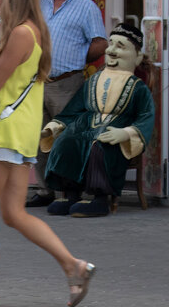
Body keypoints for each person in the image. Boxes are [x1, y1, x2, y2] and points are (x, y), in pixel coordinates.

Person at [0, 0, 95, 307]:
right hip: (20, 133)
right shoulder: (32, 30)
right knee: (13, 214)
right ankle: (74, 266)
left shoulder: (20, 34)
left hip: (2, 133)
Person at [41, 22, 154, 219]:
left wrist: (126, 133)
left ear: (137, 57)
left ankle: (100, 200)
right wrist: (55, 126)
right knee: (67, 141)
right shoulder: (93, 80)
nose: (112, 50)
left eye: (121, 46)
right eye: (111, 44)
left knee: (100, 144)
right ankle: (72, 195)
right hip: (86, 124)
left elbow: (146, 116)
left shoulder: (138, 88)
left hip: (115, 129)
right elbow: (74, 108)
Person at [26, 0, 107, 208]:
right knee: (38, 136)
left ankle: (68, 191)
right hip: (37, 81)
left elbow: (100, 42)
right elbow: (10, 8)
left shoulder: (86, 7)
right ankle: (45, 189)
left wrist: (78, 57)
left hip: (66, 83)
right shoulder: (39, 1)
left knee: (64, 137)